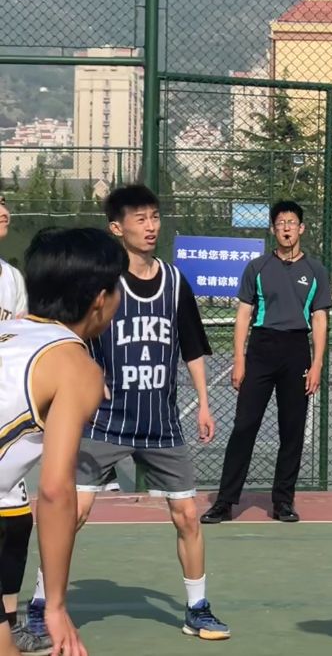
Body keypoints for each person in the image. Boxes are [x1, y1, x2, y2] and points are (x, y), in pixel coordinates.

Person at [20, 186, 230, 652]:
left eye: (155, 216)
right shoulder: (103, 284)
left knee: (187, 515)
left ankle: (197, 608)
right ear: (117, 228)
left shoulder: (174, 281)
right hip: (105, 421)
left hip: (161, 422)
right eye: (140, 218)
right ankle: (40, 603)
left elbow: (192, 346)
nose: (151, 226)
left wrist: (204, 402)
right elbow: (73, 337)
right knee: (73, 512)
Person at [0, 227, 125, 656]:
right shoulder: (76, 365)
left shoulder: (10, 333)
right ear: (100, 299)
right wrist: (54, 604)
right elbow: (55, 490)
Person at [201, 200, 332, 525]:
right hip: (261, 349)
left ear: (301, 228)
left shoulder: (316, 271)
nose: (287, 228)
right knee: (244, 426)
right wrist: (239, 359)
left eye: (292, 223)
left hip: (296, 351)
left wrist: (317, 364)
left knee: (292, 430)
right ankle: (224, 502)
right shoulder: (257, 268)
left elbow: (319, 319)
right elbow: (243, 315)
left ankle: (283, 501)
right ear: (273, 230)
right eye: (281, 223)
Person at [0, 198, 33, 637]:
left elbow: (22, 333)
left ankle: (9, 620)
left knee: (17, 524)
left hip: (6, 406)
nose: (3, 211)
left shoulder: (12, 278)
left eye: (5, 205)